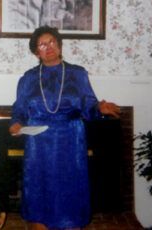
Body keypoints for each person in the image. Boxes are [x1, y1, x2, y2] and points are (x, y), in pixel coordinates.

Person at [9, 26, 120, 230]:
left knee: (69, 194)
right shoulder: (28, 78)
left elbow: (88, 104)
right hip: (38, 144)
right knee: (39, 194)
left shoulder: (77, 74)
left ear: (59, 45)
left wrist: (99, 107)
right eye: (42, 44)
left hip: (70, 140)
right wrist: (15, 123)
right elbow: (19, 109)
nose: (49, 47)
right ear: (36, 52)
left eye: (52, 42)